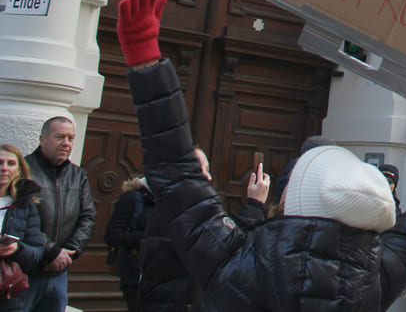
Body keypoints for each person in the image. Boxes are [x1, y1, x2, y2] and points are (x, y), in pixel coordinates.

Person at [115, 0, 406, 312]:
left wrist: (145, 59)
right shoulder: (373, 280)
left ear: (294, 196)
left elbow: (176, 176)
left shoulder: (240, 263)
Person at [139, 150, 270, 312]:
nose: (208, 177)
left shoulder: (174, 204)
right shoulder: (183, 209)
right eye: (202, 169)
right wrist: (254, 205)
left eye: (208, 169)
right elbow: (228, 254)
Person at [23, 117, 95, 312]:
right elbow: (22, 222)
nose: (66, 143)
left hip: (59, 272)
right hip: (26, 270)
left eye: (71, 138)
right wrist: (53, 252)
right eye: (59, 137)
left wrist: (70, 252)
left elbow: (87, 217)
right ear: (43, 139)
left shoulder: (77, 175)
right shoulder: (24, 171)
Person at [0, 145, 44, 312]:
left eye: (10, 163)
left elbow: (37, 254)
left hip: (9, 295)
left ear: (18, 170)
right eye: (0, 162)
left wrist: (16, 249)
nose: (4, 168)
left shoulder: (26, 206)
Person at [105, 175, 156, 312]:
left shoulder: (175, 200)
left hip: (166, 277)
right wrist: (149, 238)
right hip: (136, 275)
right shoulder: (133, 198)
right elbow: (112, 236)